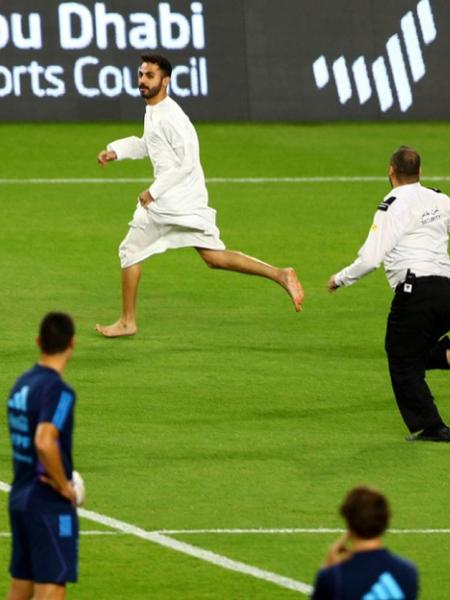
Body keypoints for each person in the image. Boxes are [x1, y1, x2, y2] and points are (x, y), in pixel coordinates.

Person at [95, 53, 304, 337]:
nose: (142, 81)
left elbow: (187, 163)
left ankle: (127, 321)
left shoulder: (172, 117)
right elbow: (149, 144)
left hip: (172, 201)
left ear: (165, 81)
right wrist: (116, 150)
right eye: (141, 75)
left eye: (150, 76)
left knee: (129, 251)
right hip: (184, 201)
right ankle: (281, 274)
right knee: (213, 258)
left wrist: (153, 192)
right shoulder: (155, 111)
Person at [328, 146, 450, 442]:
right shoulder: (442, 199)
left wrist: (340, 278)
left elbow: (371, 259)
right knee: (414, 352)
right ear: (420, 172)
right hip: (447, 288)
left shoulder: (392, 205)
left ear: (391, 171)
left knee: (401, 356)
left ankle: (431, 426)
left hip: (415, 291)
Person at [6, 312, 83, 600]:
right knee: (52, 586)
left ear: (39, 342)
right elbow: (44, 441)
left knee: (21, 587)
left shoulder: (21, 386)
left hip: (20, 497)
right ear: (72, 344)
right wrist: (64, 486)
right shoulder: (60, 392)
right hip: (48, 503)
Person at [312, 486, 418, 599]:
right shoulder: (407, 572)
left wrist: (327, 567)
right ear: (387, 520)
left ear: (348, 522)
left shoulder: (333, 578)